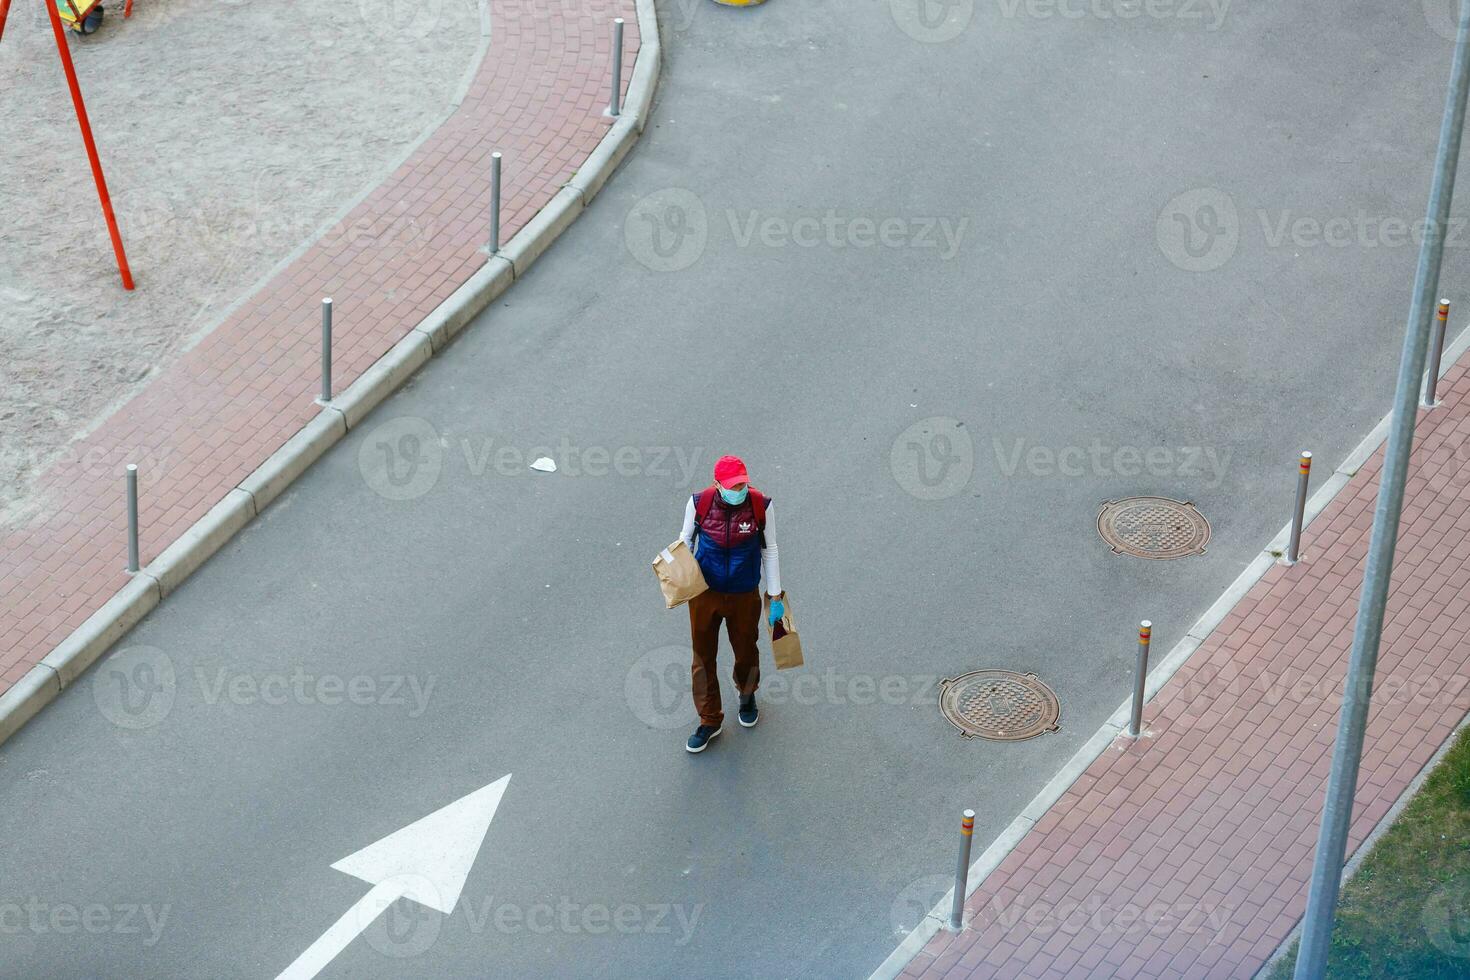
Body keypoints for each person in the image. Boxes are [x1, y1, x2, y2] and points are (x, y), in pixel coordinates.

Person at [678, 455, 785, 753]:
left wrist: (774, 595)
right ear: (717, 484)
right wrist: (680, 577)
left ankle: (747, 693)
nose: (737, 490)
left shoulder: (761, 506)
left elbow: (770, 550)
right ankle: (709, 719)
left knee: (746, 650)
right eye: (732, 485)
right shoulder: (698, 503)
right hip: (705, 594)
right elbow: (685, 540)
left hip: (743, 594)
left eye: (741, 484)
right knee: (702, 657)